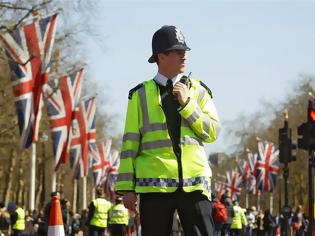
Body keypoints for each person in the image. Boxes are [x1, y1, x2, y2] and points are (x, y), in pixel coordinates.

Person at [115, 25, 221, 236]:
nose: (184, 56)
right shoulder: (139, 95)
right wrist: (127, 188)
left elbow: (212, 133)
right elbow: (130, 144)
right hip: (155, 186)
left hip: (194, 186)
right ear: (161, 56)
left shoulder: (199, 91)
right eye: (177, 51)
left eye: (184, 51)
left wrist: (188, 105)